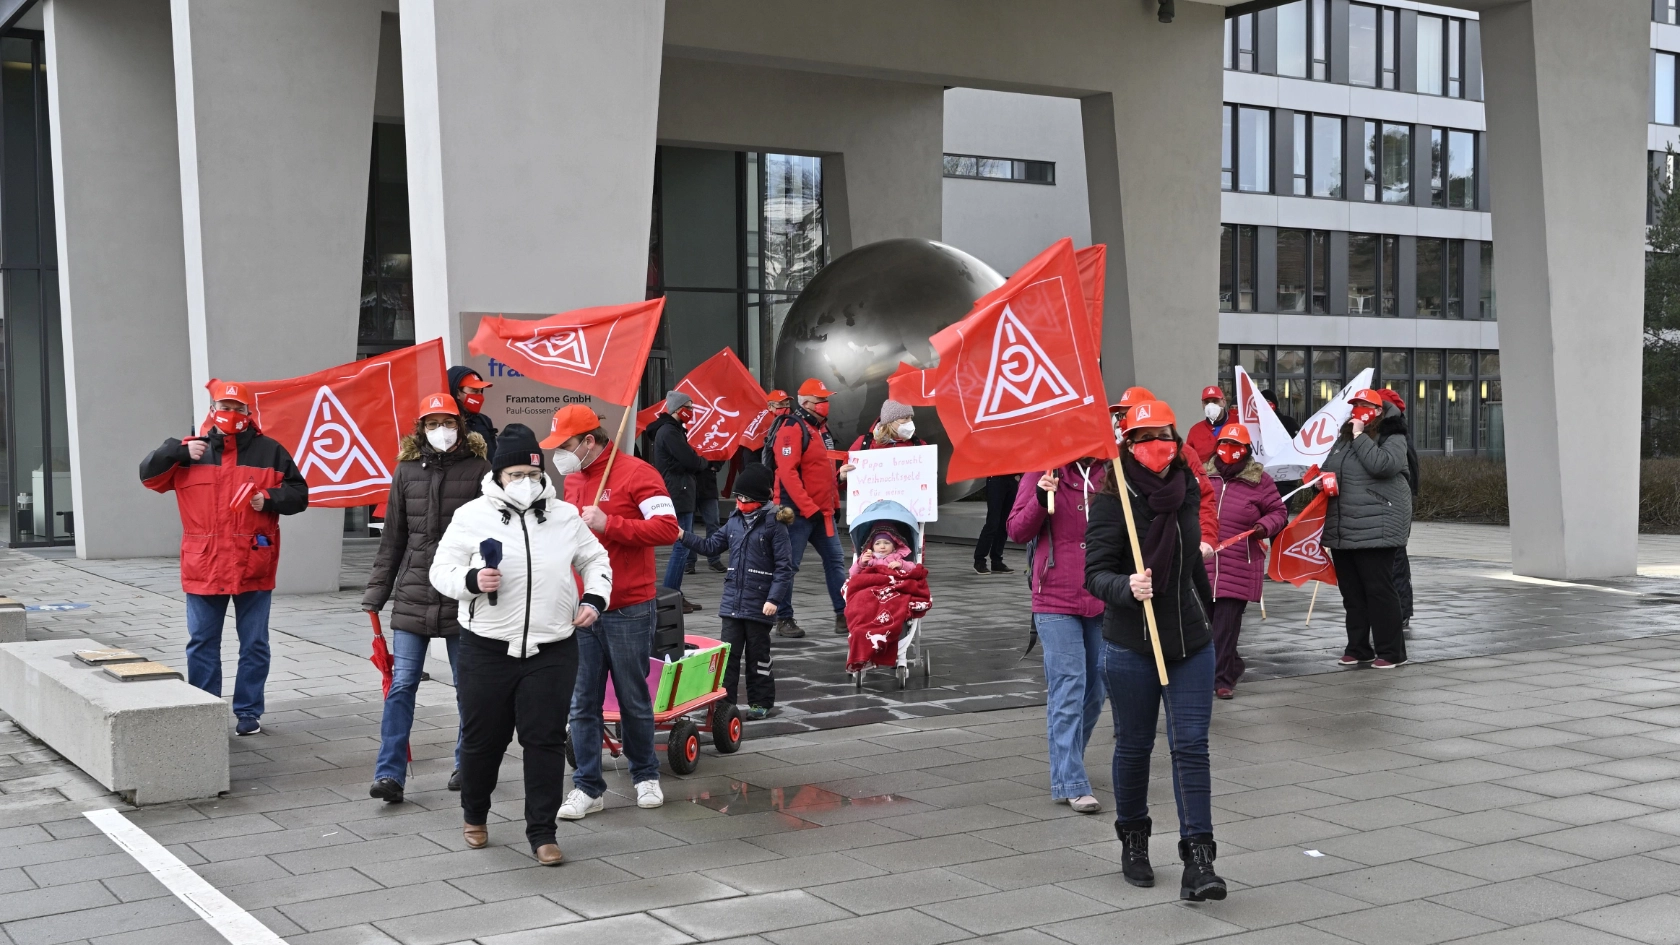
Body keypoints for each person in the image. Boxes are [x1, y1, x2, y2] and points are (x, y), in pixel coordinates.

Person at [429, 423, 612, 866]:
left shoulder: (564, 514)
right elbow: (441, 571)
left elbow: (595, 558)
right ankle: (475, 814)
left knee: (545, 740)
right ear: (498, 476)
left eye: (532, 474)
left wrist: (595, 597)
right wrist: (472, 580)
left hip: (553, 649)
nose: (525, 483)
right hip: (486, 648)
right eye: (515, 475)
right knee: (482, 740)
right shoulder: (472, 515)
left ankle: (542, 832)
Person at [1084, 400, 1226, 902]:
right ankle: (1135, 840)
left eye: (1164, 436)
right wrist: (1127, 586)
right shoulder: (1111, 495)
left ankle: (1200, 860)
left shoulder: (1187, 489)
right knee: (1135, 745)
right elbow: (1095, 573)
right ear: (1128, 443)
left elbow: (1194, 557)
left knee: (1190, 746)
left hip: (1189, 640)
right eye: (1144, 438)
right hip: (1131, 642)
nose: (1157, 446)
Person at [139, 380, 309, 737]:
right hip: (205, 564)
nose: (231, 414)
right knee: (202, 641)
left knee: (255, 644)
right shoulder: (190, 452)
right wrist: (176, 450)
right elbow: (148, 477)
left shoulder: (271, 451)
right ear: (212, 410)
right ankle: (205, 707)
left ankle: (248, 710)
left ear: (250, 413)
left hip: (253, 563)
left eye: (239, 408)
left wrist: (270, 498)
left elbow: (299, 494)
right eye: (224, 406)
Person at [543, 405, 681, 821]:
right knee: (582, 702)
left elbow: (668, 529)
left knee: (632, 698)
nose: (559, 455)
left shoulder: (639, 473)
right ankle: (587, 786)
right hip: (582, 608)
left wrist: (610, 522)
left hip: (628, 607)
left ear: (589, 440)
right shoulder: (572, 478)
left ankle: (645, 775)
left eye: (565, 445)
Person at [363, 392, 491, 802]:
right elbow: (393, 539)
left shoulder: (480, 471)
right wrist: (376, 592)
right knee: (401, 685)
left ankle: (466, 764)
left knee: (467, 687)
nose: (441, 430)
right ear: (422, 428)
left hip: (461, 592)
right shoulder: (405, 472)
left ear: (461, 426)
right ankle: (389, 775)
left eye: (448, 422)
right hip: (414, 593)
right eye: (433, 423)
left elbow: (490, 537)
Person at [1007, 454, 1109, 814]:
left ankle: (1068, 763)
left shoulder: (1110, 472)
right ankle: (1071, 779)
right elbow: (1016, 530)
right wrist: (1038, 497)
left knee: (1097, 688)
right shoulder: (1042, 468)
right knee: (1068, 685)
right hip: (1053, 597)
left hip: (1102, 595)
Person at [676, 463, 793, 720]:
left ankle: (761, 701)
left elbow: (785, 568)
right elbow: (710, 546)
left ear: (761, 498)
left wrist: (774, 599)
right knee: (727, 656)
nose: (740, 502)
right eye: (738, 497)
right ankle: (724, 703)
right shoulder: (734, 520)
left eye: (746, 499)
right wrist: (683, 535)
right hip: (732, 601)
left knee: (758, 656)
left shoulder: (775, 525)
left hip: (760, 602)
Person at [1321, 389, 1413, 669]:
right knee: (1352, 592)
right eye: (1355, 405)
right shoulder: (1344, 438)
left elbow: (1382, 465)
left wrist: (1361, 436)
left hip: (1377, 526)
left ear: (1378, 410)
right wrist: (1320, 479)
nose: (1357, 410)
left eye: (1364, 405)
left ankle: (1391, 651)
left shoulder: (1392, 436)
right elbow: (1331, 467)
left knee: (1379, 591)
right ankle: (1358, 648)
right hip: (1344, 526)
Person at [1201, 424, 1287, 700]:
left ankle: (1221, 680)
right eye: (1225, 444)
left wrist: (1264, 526)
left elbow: (1279, 511)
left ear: (1247, 451)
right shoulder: (1202, 474)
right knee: (1205, 625)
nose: (1230, 451)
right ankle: (1232, 664)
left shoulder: (1260, 480)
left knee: (1226, 627)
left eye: (1237, 446)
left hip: (1239, 562)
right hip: (1203, 563)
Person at [770, 378, 847, 638]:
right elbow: (787, 473)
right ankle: (784, 618)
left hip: (820, 512)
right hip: (797, 512)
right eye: (820, 400)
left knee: (835, 562)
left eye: (826, 399)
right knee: (788, 566)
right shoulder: (792, 428)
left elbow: (826, 472)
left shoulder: (820, 430)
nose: (825, 404)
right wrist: (808, 506)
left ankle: (843, 614)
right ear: (805, 403)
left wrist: (834, 502)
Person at [1111, 387, 1219, 557]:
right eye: (1120, 416)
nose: (1122, 421)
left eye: (1128, 414)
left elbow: (1203, 497)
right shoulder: (1114, 456)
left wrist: (1206, 538)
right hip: (1127, 550)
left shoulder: (1183, 453)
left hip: (1174, 546)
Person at [646, 391, 707, 611]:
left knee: (682, 544)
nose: (691, 411)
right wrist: (703, 463)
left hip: (680, 489)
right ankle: (671, 596)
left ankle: (675, 594)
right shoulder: (669, 432)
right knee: (682, 545)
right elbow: (689, 459)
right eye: (688, 407)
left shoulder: (671, 431)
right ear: (676, 408)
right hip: (678, 491)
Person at [843, 529, 931, 672]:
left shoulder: (897, 558)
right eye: (878, 543)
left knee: (895, 604)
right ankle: (864, 629)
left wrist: (901, 565)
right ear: (872, 547)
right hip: (870, 588)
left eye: (886, 543)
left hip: (891, 589)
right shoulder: (869, 560)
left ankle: (888, 628)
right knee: (862, 602)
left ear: (894, 546)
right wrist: (861, 564)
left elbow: (913, 568)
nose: (882, 546)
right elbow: (854, 575)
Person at [1377, 388, 1420, 627]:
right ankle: (1401, 610)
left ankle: (1401, 611)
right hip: (1394, 505)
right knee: (1395, 560)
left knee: (1395, 560)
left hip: (1392, 506)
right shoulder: (1397, 433)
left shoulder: (1394, 437)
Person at [973, 475, 1020, 575]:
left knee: (1004, 523)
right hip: (995, 479)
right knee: (992, 522)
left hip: (1012, 479)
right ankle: (979, 560)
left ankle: (997, 561)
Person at [448, 367, 498, 459]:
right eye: (474, 391)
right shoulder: (446, 424)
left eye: (480, 391)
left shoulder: (484, 420)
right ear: (457, 393)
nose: (479, 396)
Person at [687, 460, 727, 574]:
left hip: (707, 483)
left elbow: (722, 448)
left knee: (713, 522)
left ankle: (714, 559)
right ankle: (689, 560)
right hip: (689, 482)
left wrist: (716, 465)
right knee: (688, 525)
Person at [1184, 385, 1228, 465]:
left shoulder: (1237, 425)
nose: (1211, 406)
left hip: (1232, 476)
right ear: (1202, 405)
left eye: (1215, 401)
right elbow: (1188, 461)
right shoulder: (1195, 431)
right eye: (1207, 402)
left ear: (1223, 402)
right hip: (1204, 476)